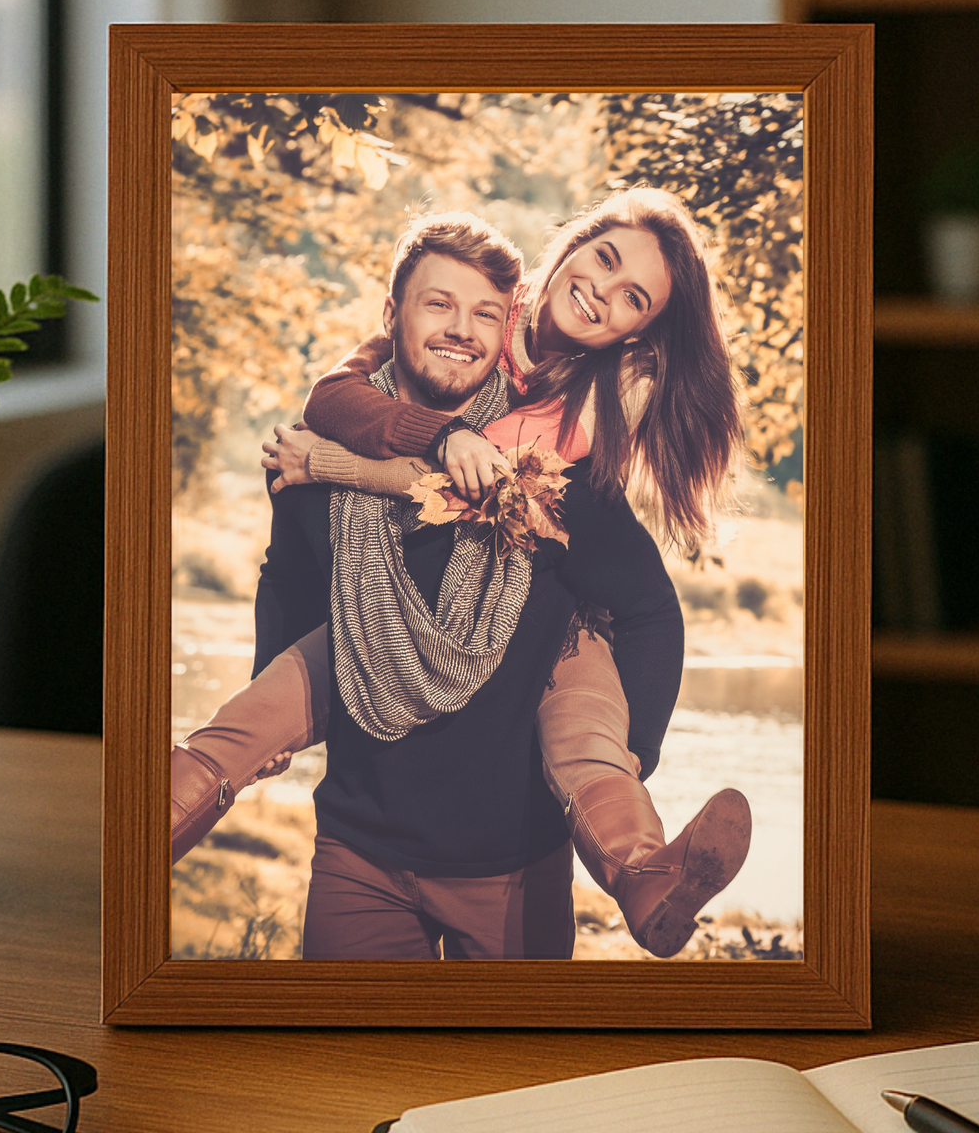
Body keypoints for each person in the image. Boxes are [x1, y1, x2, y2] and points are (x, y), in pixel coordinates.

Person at [172, 201, 750, 958]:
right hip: (360, 838)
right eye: (605, 259)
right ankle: (143, 830)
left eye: (634, 298)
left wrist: (636, 752)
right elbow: (297, 563)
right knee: (262, 708)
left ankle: (641, 866)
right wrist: (341, 456)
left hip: (511, 851)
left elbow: (480, 485)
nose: (604, 293)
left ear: (636, 333)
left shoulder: (574, 434)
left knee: (586, 733)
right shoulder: (444, 348)